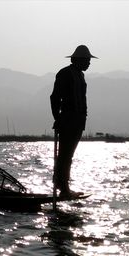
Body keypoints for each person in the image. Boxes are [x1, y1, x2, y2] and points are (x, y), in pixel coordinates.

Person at [50, 45, 97, 197]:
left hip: (78, 121)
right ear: (78, 60)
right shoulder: (65, 74)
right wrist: (57, 118)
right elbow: (55, 97)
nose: (89, 63)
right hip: (68, 120)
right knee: (64, 155)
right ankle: (62, 187)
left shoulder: (80, 75)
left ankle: (63, 186)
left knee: (68, 155)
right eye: (87, 60)